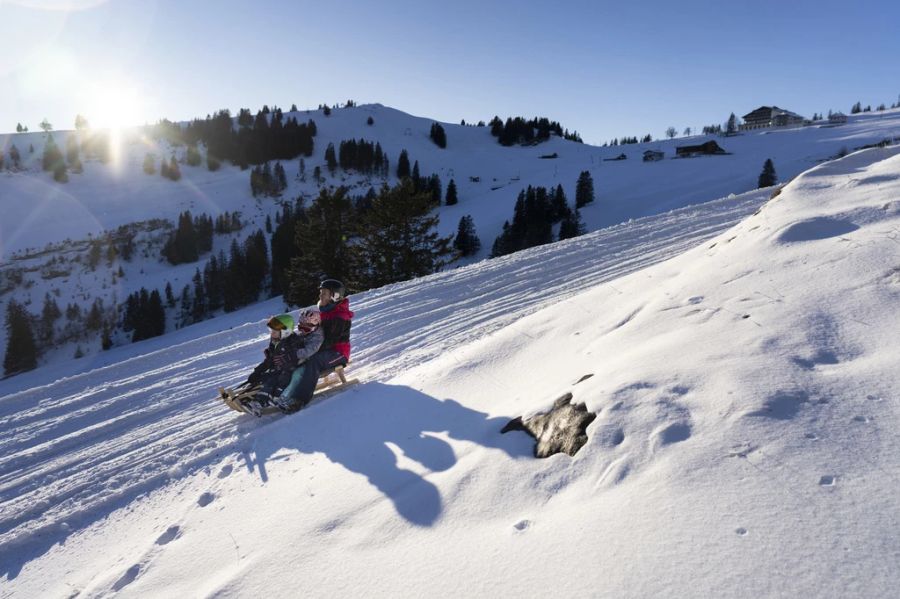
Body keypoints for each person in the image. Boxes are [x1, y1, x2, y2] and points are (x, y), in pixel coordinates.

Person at [276, 279, 353, 413]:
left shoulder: (340, 317)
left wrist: (307, 352)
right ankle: (282, 390)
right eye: (320, 293)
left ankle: (299, 399)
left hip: (338, 353)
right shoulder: (325, 312)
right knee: (300, 358)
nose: (320, 296)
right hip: (325, 351)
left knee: (313, 361)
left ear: (334, 296)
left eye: (324, 294)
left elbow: (329, 342)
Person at [240, 310, 323, 416]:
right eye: (271, 330)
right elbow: (271, 359)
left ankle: (270, 399)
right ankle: (256, 400)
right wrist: (258, 371)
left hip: (294, 368)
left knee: (276, 379)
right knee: (268, 378)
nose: (271, 333)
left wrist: (286, 360)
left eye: (274, 331)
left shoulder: (294, 341)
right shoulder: (277, 341)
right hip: (282, 368)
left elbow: (303, 354)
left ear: (285, 332)